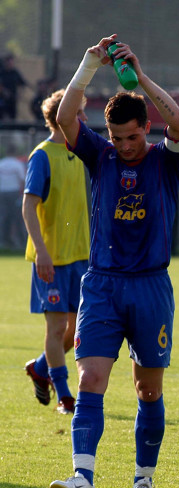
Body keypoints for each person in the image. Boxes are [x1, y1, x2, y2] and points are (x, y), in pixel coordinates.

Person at [48, 35, 179, 488]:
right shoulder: (100, 156)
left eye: (132, 136)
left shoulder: (165, 161)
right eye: (117, 138)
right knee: (90, 379)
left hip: (151, 285)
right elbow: (66, 118)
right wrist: (88, 65)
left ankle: (143, 479)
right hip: (103, 284)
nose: (125, 146)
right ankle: (82, 477)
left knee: (148, 389)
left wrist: (142, 77)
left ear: (144, 128)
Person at [22, 89, 90, 415]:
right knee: (56, 329)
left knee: (76, 331)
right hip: (51, 260)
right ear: (62, 117)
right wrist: (42, 254)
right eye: (80, 113)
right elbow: (28, 207)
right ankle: (64, 396)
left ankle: (39, 367)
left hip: (80, 258)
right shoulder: (42, 156)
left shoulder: (77, 153)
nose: (85, 119)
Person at [0, 144, 27, 249]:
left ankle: (3, 241)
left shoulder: (1, 163)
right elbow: (22, 180)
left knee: (3, 217)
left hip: (2, 193)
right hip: (14, 193)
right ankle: (19, 242)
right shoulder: (17, 164)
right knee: (17, 218)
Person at [0, 54, 28, 120]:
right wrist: (3, 91)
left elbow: (22, 84)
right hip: (2, 99)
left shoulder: (15, 73)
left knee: (12, 117)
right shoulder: (1, 72)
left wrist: (20, 94)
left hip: (12, 100)